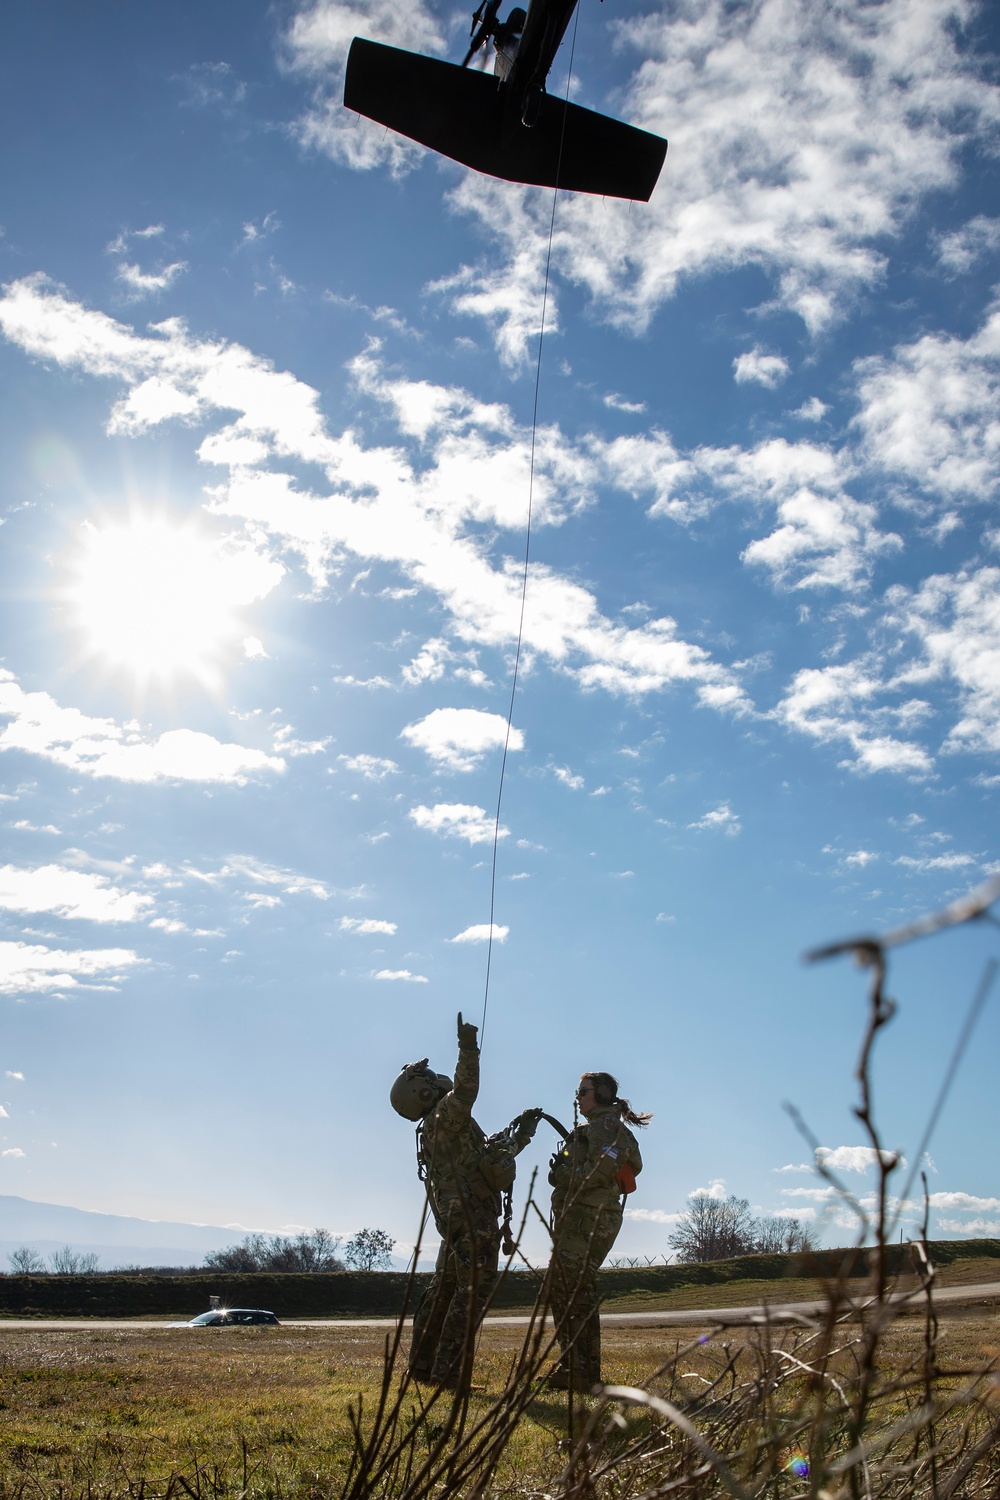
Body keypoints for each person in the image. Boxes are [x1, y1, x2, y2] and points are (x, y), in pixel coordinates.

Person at [390, 1012, 542, 1389]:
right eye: (427, 1080)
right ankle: (448, 1374)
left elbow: (487, 1160)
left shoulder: (440, 1126)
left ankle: (423, 1368)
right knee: (472, 1290)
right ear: (423, 1092)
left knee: (443, 1288)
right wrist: (468, 1047)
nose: (435, 1079)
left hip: (456, 1216)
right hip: (472, 1217)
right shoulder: (445, 1114)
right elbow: (467, 1090)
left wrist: (521, 1133)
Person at [547, 1070, 651, 1391]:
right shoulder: (593, 1129)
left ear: (602, 1094)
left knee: (567, 1289)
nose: (577, 1098)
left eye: (583, 1092)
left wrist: (561, 1175)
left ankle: (576, 1370)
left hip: (590, 1219)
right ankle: (582, 1370)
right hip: (580, 1218)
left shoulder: (607, 1129)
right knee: (576, 1291)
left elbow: (595, 1172)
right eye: (577, 1092)